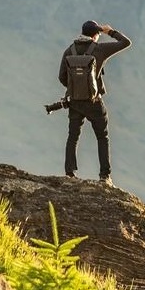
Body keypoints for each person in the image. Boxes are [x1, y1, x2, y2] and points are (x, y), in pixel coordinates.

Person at [58, 20, 132, 186]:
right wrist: (110, 31)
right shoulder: (99, 49)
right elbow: (126, 42)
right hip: (94, 102)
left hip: (75, 101)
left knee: (73, 136)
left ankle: (69, 174)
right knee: (102, 137)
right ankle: (104, 177)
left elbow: (62, 77)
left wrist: (76, 89)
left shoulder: (69, 50)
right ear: (96, 35)